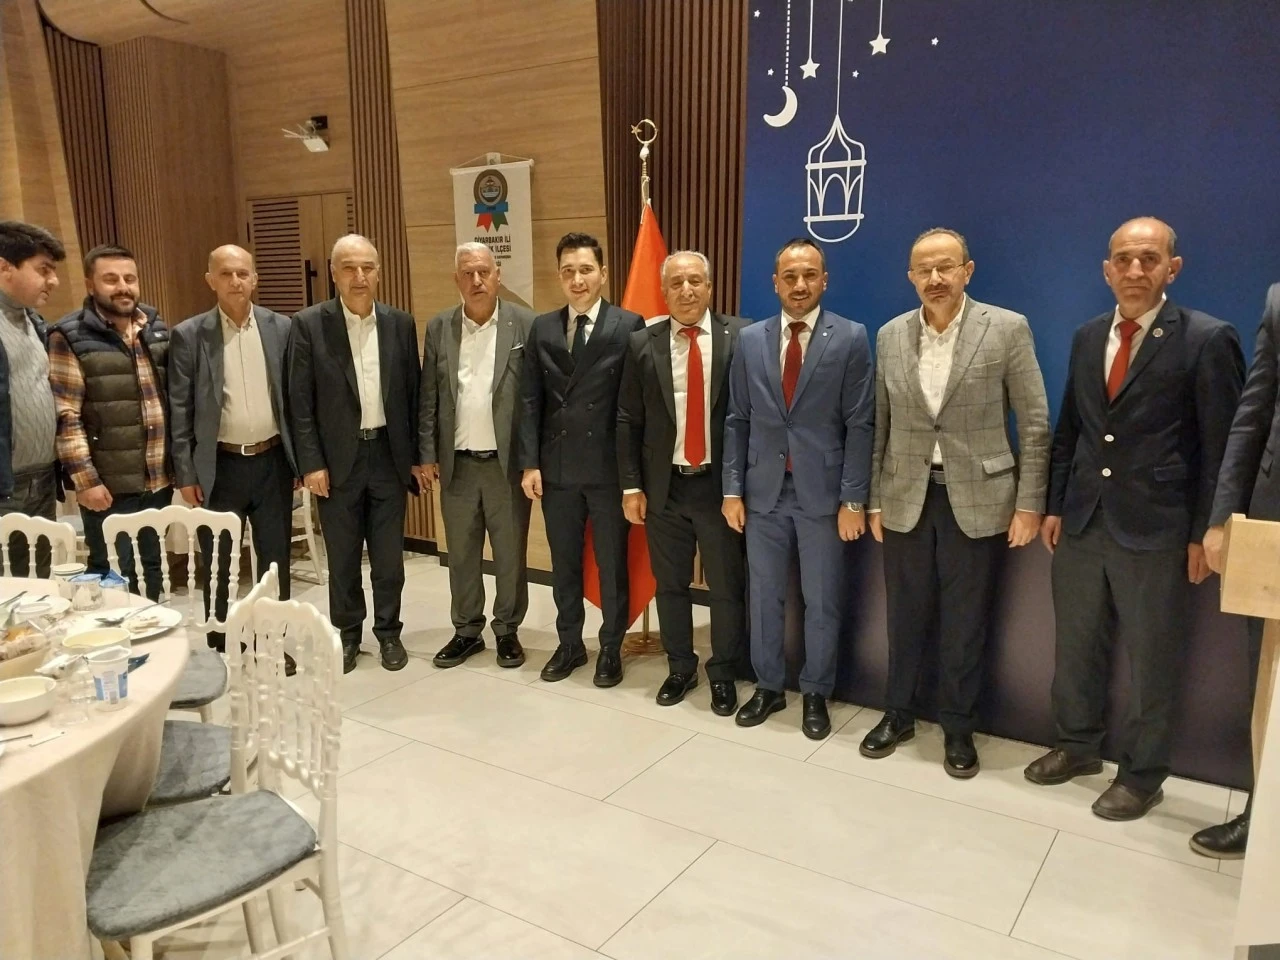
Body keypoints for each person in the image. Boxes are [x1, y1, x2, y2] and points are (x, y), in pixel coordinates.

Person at [1025, 217, 1245, 820]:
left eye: (1149, 259)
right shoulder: (1087, 336)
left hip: (1159, 527)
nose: (1135, 270)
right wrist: (1055, 505)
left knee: (1152, 658)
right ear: (1106, 270)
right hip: (1083, 520)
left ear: (1173, 267)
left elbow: (1223, 447)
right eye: (1123, 259)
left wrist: (1207, 531)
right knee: (1076, 644)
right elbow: (1071, 429)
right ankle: (1077, 746)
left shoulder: (1208, 338)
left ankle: (1143, 774)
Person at [862, 228, 1051, 777]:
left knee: (966, 622)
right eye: (924, 270)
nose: (935, 278)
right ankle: (898, 714)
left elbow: (1035, 422)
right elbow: (880, 424)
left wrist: (1029, 503)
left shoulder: (1007, 328)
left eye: (946, 267)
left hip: (981, 498)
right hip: (906, 495)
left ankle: (959, 727)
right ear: (911, 277)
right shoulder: (890, 335)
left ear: (967, 270)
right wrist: (873, 499)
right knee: (904, 615)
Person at [722, 237, 874, 740]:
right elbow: (737, 419)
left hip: (824, 496)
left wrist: (853, 498)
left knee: (822, 599)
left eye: (810, 274)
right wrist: (732, 490)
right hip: (762, 493)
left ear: (824, 280)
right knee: (764, 597)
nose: (800, 284)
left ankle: (815, 692)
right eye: (790, 276)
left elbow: (860, 424)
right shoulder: (750, 339)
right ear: (775, 282)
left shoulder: (850, 337)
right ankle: (768, 686)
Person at [616, 250, 750, 715]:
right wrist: (631, 486)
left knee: (726, 587)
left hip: (719, 489)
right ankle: (680, 667)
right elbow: (628, 419)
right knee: (670, 585)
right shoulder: (642, 343)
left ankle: (724, 671)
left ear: (710, 287)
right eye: (676, 283)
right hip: (664, 489)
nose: (687, 290)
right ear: (664, 290)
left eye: (695, 281)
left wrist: (739, 487)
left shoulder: (742, 337)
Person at [287, 234, 420, 674]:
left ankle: (389, 633)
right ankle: (347, 635)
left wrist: (416, 456)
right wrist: (311, 463)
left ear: (378, 272)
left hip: (388, 456)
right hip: (336, 461)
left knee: (388, 559)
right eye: (349, 267)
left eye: (367, 267)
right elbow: (299, 402)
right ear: (333, 273)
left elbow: (413, 394)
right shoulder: (309, 324)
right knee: (343, 558)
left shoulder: (400, 324)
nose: (359, 276)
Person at [518, 233, 644, 685]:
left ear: (603, 274)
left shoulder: (628, 325)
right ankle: (569, 643)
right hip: (558, 468)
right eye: (568, 271)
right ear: (559, 276)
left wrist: (633, 477)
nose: (577, 280)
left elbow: (633, 406)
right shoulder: (543, 327)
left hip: (609, 469)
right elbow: (529, 400)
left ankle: (610, 647)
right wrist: (529, 463)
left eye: (586, 270)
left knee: (611, 564)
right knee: (565, 563)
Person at [168, 245, 297, 651]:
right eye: (226, 274)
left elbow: (295, 399)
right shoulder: (190, 335)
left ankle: (274, 639)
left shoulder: (282, 328)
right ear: (211, 280)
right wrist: (186, 473)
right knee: (219, 561)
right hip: (219, 466)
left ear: (255, 279)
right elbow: (179, 409)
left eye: (243, 273)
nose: (236, 281)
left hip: (273, 461)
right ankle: (221, 642)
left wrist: (300, 461)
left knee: (275, 560)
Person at [1192, 281, 1280, 858]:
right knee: (1268, 680)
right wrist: (1223, 517)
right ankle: (1264, 812)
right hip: (1275, 527)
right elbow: (1252, 417)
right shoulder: (1278, 301)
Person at [420, 243, 535, 669]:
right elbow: (428, 396)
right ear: (457, 280)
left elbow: (535, 401)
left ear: (498, 275)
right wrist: (426, 453)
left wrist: (533, 460)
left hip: (507, 467)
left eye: (483, 271)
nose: (476, 280)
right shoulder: (439, 327)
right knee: (461, 554)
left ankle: (507, 630)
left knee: (510, 554)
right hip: (458, 465)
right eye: (467, 273)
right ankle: (467, 631)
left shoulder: (526, 324)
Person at [48, 245, 171, 599]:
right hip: (107, 486)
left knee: (153, 569)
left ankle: (154, 633)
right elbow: (66, 416)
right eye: (111, 279)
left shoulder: (155, 327)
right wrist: (86, 481)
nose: (123, 287)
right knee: (114, 578)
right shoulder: (69, 335)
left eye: (130, 278)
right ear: (91, 285)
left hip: (157, 479)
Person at [0, 221, 63, 577]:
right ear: (4, 267)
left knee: (41, 588)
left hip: (42, 479)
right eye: (43, 270)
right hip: (5, 486)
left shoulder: (35, 322)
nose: (53, 281)